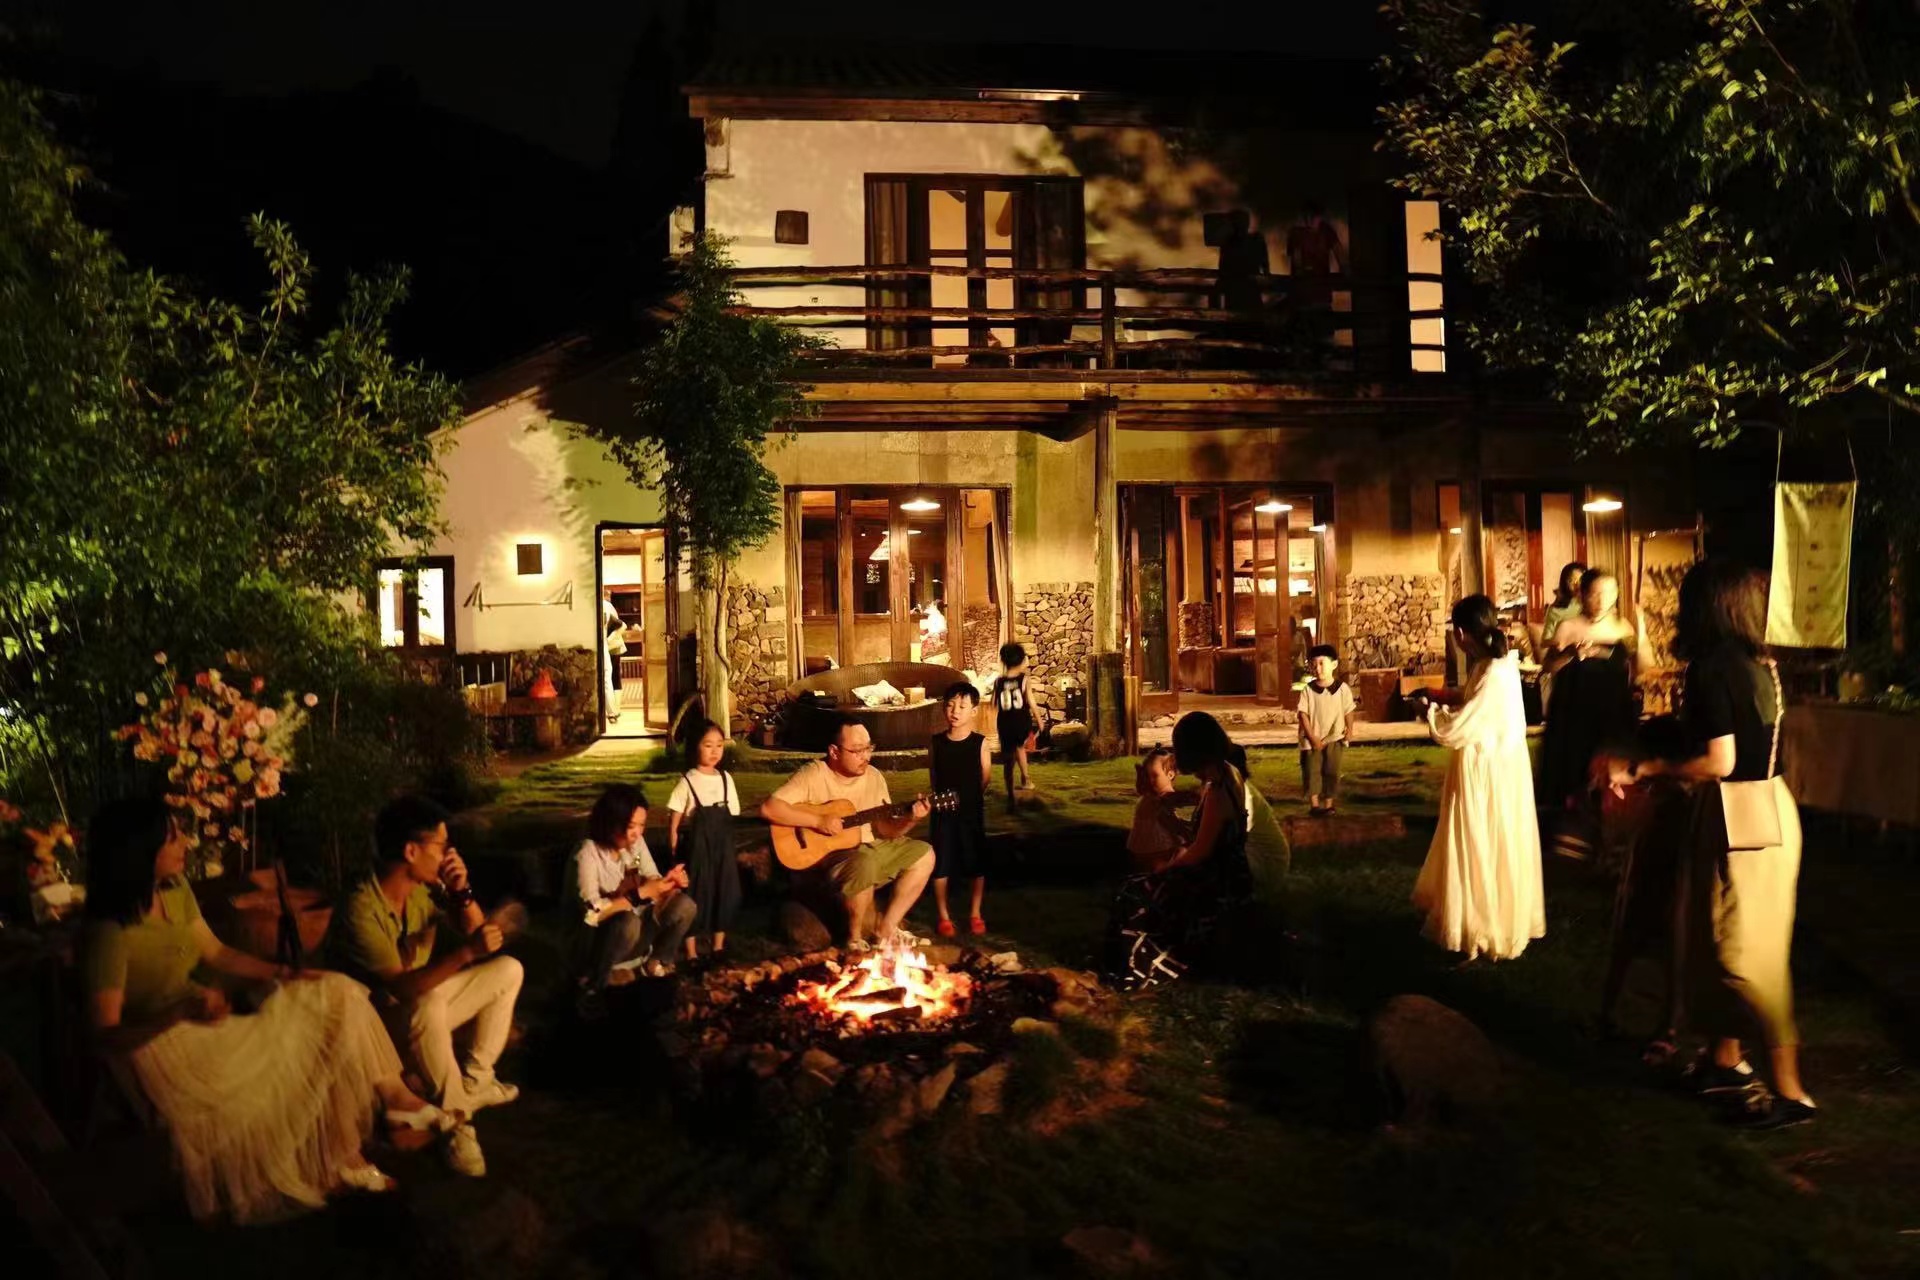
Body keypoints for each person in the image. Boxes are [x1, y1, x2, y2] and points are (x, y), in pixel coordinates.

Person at [83, 798, 453, 1222]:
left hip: (202, 1020)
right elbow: (105, 1036)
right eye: (172, 838)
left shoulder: (173, 889)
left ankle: (382, 1112)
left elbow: (218, 953)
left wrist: (285, 972)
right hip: (165, 1048)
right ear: (139, 849)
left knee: (336, 989)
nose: (185, 842)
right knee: (315, 1039)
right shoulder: (107, 932)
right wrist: (181, 1011)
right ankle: (348, 1152)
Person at [1594, 559, 1814, 1129]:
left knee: (1742, 955)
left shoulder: (1713, 668)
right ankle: (1723, 1059)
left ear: (1705, 608)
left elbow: (1720, 762)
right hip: (1773, 807)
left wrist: (1645, 769)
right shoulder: (1762, 662)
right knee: (1712, 940)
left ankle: (1791, 1094)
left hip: (1742, 818)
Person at [325, 795, 523, 1177]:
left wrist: (461, 891)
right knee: (427, 1002)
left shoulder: (422, 890)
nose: (449, 855)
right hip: (373, 1029)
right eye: (442, 846)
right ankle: (456, 1120)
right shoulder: (360, 907)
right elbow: (401, 989)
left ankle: (474, 1083)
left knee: (508, 970)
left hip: (417, 1009)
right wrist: (466, 953)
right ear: (411, 851)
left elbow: (475, 930)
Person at [1408, 595, 1546, 962]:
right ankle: (1485, 921)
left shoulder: (1494, 672)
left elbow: (1459, 727)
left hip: (1487, 770)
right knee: (1493, 841)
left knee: (1481, 839)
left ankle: (1480, 927)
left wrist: (1430, 712)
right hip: (1497, 766)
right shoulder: (1494, 665)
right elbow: (1474, 702)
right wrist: (1440, 695)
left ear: (1459, 633)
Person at [1104, 713, 1254, 990]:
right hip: (1226, 870)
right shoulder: (1226, 774)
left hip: (1218, 879)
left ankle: (1139, 960)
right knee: (1137, 886)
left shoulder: (1219, 790)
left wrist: (1166, 870)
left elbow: (1200, 851)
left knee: (1135, 892)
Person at [760, 716, 935, 950]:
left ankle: (886, 931)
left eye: (869, 748)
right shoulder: (814, 774)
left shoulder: (874, 777)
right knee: (864, 861)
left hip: (870, 848)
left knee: (924, 854)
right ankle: (854, 938)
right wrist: (817, 820)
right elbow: (770, 808)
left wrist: (910, 819)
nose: (866, 756)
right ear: (834, 751)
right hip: (832, 857)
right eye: (857, 750)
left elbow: (885, 829)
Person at [1538, 569, 1638, 860]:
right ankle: (1569, 837)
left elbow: (1636, 668)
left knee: (1610, 772)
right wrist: (1570, 653)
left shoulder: (1623, 628)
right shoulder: (1568, 626)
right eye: (1595, 594)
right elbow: (1548, 667)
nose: (1602, 600)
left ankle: (1612, 836)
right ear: (1582, 595)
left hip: (1612, 711)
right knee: (1573, 771)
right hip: (1574, 712)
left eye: (1609, 594)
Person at [576, 784, 695, 1004]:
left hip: (637, 930)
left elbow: (651, 876)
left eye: (642, 825)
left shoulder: (636, 842)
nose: (637, 833)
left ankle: (655, 963)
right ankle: (596, 983)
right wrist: (637, 895)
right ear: (611, 822)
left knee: (684, 905)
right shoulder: (587, 853)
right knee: (628, 921)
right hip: (596, 941)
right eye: (631, 826)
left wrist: (667, 882)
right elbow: (590, 913)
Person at [666, 723, 741, 963]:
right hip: (698, 850)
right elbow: (675, 819)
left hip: (723, 850)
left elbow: (733, 814)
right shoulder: (688, 781)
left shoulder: (726, 779)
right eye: (708, 745)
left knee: (725, 892)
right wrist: (674, 846)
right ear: (695, 747)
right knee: (696, 892)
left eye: (719, 745)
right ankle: (691, 952)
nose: (715, 751)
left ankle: (718, 947)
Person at [927, 682, 991, 937]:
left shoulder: (980, 743)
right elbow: (934, 777)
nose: (955, 711)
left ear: (974, 711)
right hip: (942, 812)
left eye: (962, 706)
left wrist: (970, 798)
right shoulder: (936, 743)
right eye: (950, 705)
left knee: (976, 862)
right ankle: (944, 916)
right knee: (940, 861)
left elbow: (985, 777)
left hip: (971, 812)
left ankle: (975, 913)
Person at [1296, 644, 1356, 816]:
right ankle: (1314, 805)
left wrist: (1350, 730)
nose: (1318, 668)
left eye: (1322, 663)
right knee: (1311, 770)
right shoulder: (1308, 690)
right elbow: (1303, 714)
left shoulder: (1342, 689)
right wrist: (1312, 737)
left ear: (1334, 664)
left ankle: (1329, 805)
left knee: (1332, 770)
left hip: (1334, 737)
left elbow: (1349, 710)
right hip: (1311, 738)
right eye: (1314, 664)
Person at [1126, 746, 1191, 874]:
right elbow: (1170, 818)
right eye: (1148, 776)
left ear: (1170, 774)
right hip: (1152, 848)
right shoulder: (1154, 799)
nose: (1151, 780)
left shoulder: (1155, 797)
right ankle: (1159, 874)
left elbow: (1170, 820)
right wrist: (1196, 796)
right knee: (1183, 851)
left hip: (1149, 847)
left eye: (1154, 775)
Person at [992, 643, 1038, 807]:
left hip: (1004, 724)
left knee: (1008, 759)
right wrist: (1039, 720)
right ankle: (1026, 779)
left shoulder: (998, 682)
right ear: (1020, 660)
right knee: (1020, 748)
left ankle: (1010, 794)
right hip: (1021, 722)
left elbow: (993, 704)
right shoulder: (1024, 679)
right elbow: (1031, 702)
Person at [601, 589, 626, 726]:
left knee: (610, 677)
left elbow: (620, 625)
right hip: (609, 646)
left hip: (611, 647)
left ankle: (613, 711)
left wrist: (609, 639)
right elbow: (621, 625)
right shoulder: (606, 606)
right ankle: (613, 711)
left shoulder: (605, 606)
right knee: (611, 678)